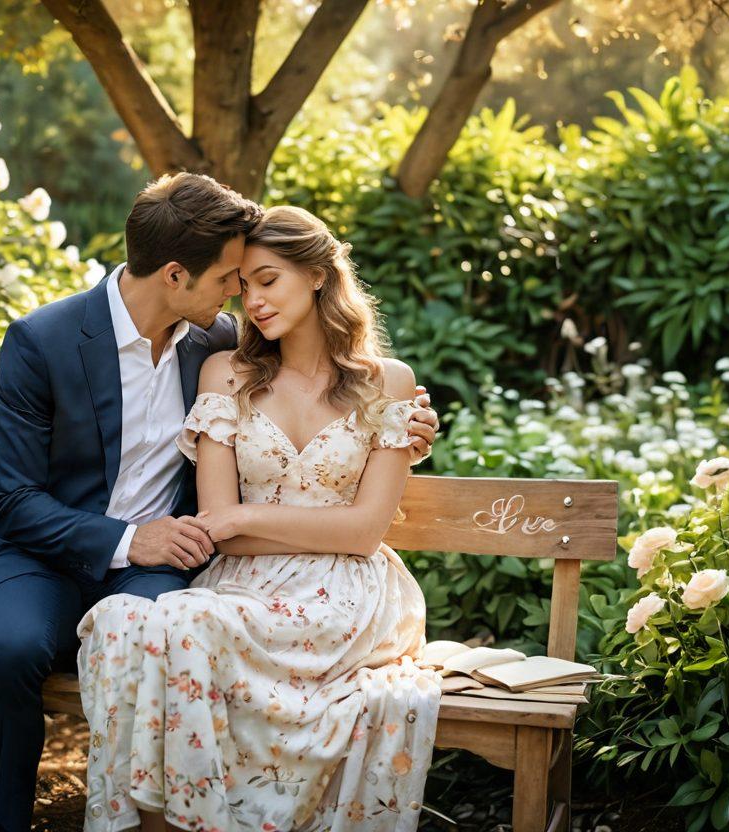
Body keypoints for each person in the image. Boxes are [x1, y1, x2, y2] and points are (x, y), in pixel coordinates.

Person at [0, 173, 440, 832]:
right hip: (39, 556)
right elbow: (12, 500)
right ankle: (8, 820)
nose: (242, 296)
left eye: (255, 280)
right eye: (231, 277)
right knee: (13, 646)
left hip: (157, 570)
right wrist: (130, 539)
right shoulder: (43, 341)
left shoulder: (216, 345)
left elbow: (332, 392)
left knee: (154, 641)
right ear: (175, 275)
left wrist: (412, 423)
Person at [77, 205, 444, 832]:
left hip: (347, 596)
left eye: (269, 280)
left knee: (185, 622)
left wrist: (246, 514)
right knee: (121, 620)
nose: (253, 303)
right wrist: (241, 522)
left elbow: (363, 533)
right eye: (242, 287)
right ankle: (148, 823)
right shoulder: (227, 373)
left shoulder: (390, 382)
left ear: (320, 275)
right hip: (244, 586)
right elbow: (217, 521)